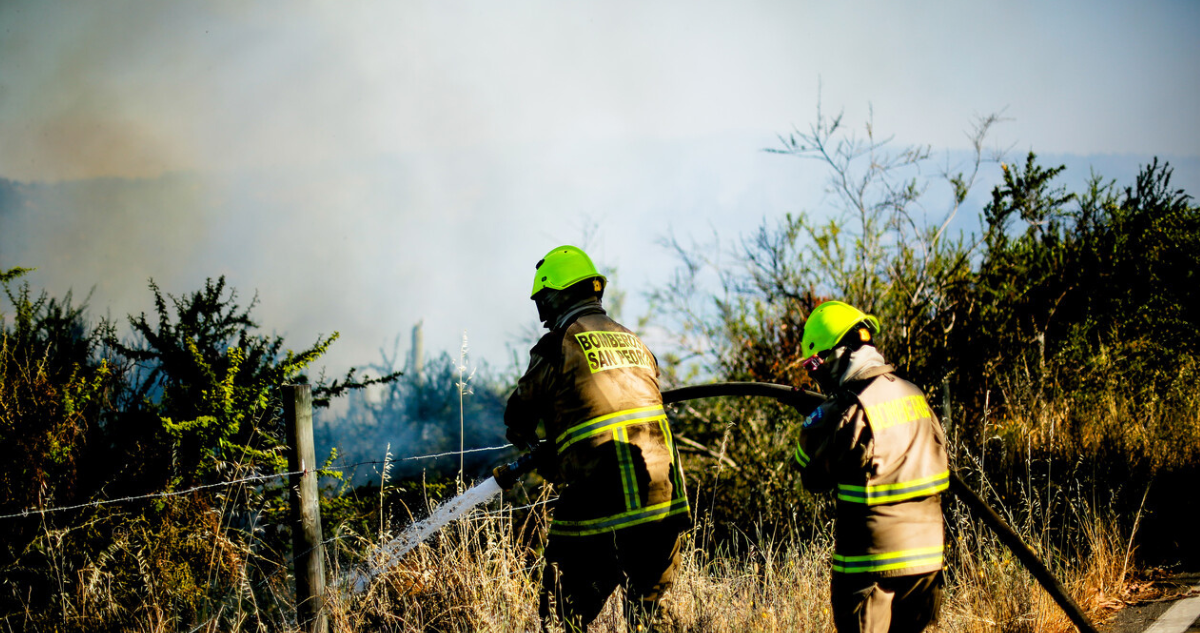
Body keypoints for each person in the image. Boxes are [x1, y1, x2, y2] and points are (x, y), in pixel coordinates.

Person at [505, 245, 690, 632]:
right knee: (650, 617)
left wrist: (535, 445)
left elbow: (519, 415)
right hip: (663, 498)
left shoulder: (558, 344)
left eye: (543, 300)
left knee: (561, 615)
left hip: (601, 498)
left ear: (558, 295)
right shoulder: (634, 341)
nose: (543, 313)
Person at [794, 301, 949, 633]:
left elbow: (813, 476)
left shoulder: (848, 410)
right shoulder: (914, 394)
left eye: (813, 364)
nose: (813, 374)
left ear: (834, 355)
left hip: (870, 568)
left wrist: (815, 420)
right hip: (927, 561)